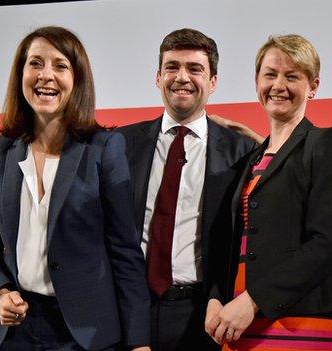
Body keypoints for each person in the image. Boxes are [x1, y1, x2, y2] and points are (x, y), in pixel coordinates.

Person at [0, 26, 150, 351]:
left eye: (60, 66)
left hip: (84, 334)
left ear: (77, 80)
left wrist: (138, 342)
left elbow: (125, 252)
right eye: (35, 63)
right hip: (14, 333)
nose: (46, 76)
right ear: (20, 74)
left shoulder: (103, 149)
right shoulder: (1, 150)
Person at [204, 34, 332, 351]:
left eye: (293, 76)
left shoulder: (326, 144)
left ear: (313, 86)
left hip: (298, 324)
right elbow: (227, 243)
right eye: (270, 74)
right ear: (257, 81)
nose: (278, 85)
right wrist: (216, 298)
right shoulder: (248, 161)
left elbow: (329, 241)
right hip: (236, 324)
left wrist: (253, 300)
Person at [116, 28, 254, 351]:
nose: (182, 77)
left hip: (204, 314)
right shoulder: (119, 145)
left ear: (213, 81)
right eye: (172, 67)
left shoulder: (242, 152)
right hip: (132, 310)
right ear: (157, 77)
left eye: (195, 69)